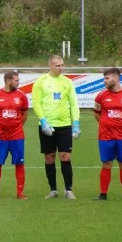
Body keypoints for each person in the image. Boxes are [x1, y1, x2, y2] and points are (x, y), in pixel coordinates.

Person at [32, 55, 80, 199]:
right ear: (51, 66)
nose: (61, 68)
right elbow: (36, 103)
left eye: (62, 65)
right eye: (58, 65)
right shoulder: (41, 82)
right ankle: (53, 189)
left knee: (65, 156)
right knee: (49, 157)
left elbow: (73, 104)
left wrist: (76, 123)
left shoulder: (68, 82)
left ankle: (68, 189)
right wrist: (43, 121)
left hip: (64, 125)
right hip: (48, 126)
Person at [93, 68, 122, 201]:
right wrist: (105, 124)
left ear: (116, 78)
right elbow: (96, 112)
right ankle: (103, 194)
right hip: (105, 136)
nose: (104, 81)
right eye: (104, 78)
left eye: (107, 78)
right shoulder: (101, 96)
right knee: (106, 163)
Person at [0, 72, 29, 200]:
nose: (18, 82)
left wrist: (17, 126)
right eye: (16, 80)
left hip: (17, 136)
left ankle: (20, 192)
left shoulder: (21, 96)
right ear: (8, 81)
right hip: (0, 136)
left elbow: (25, 114)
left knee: (19, 164)